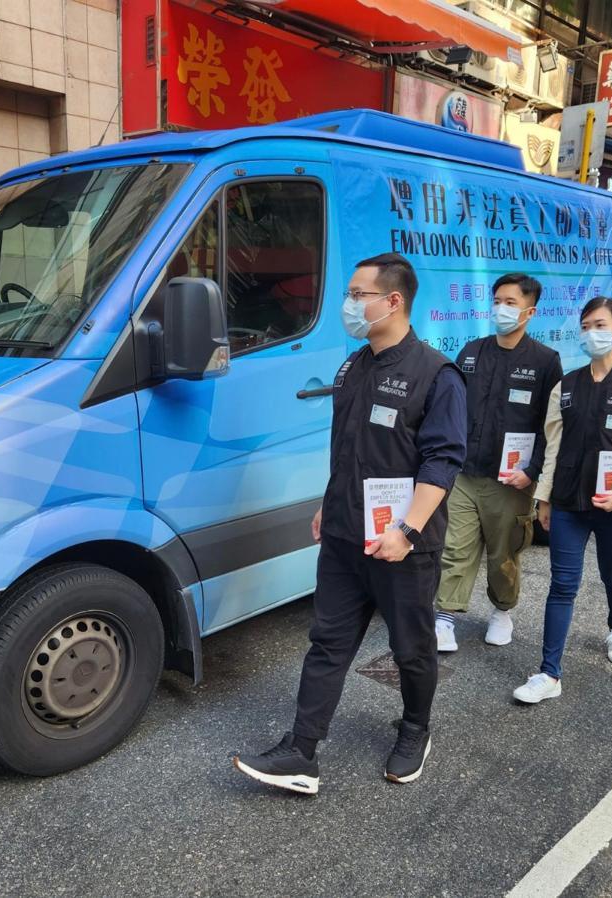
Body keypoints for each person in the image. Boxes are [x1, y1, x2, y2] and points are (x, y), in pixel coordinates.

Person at [232, 253, 467, 792]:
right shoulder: (353, 367)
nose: (348, 304)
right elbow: (351, 449)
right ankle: (301, 752)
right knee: (327, 643)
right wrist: (328, 501)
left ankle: (414, 729)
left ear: (393, 302)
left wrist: (405, 532)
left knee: (411, 648)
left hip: (403, 545)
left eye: (358, 294)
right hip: (343, 535)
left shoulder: (436, 375)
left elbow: (442, 463)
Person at [514, 297, 612, 704]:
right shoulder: (566, 387)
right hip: (568, 504)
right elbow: (553, 447)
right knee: (562, 585)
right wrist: (544, 498)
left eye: (600, 325)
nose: (591, 334)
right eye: (585, 326)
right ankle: (549, 674)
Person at [435, 274, 562, 651]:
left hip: (511, 480)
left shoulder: (544, 361)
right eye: (497, 300)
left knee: (503, 553)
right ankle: (445, 617)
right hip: (463, 472)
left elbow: (550, 425)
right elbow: (451, 408)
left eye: (510, 302)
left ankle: (502, 611)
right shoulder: (471, 352)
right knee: (454, 546)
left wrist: (534, 472)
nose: (500, 309)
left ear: (530, 311)